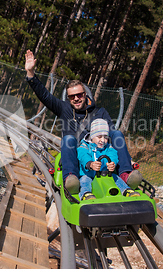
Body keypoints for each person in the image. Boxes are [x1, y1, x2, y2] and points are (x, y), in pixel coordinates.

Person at [24, 50, 142, 193]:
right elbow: (45, 96)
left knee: (116, 133)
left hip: (98, 153)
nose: (76, 99)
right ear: (68, 98)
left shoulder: (100, 112)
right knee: (68, 139)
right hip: (76, 154)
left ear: (85, 95)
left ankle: (125, 174)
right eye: (72, 96)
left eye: (79, 95)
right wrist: (31, 74)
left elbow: (112, 134)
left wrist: (127, 158)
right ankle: (71, 178)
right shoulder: (64, 108)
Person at [77, 119, 140, 200]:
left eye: (105, 137)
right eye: (99, 137)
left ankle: (126, 190)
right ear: (92, 136)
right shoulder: (85, 146)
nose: (103, 140)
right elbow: (83, 155)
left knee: (115, 177)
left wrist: (111, 163)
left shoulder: (108, 147)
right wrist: (90, 164)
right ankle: (85, 193)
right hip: (89, 174)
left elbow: (113, 154)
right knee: (84, 180)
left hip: (105, 174)